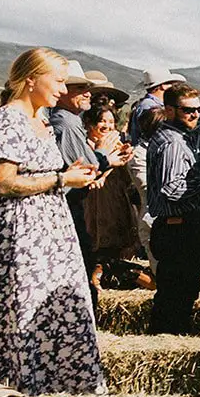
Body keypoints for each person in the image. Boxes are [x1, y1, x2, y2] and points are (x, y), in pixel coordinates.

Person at [0, 48, 104, 394]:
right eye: (59, 81)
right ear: (31, 79)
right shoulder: (6, 119)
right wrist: (63, 181)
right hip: (22, 233)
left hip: (51, 229)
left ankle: (67, 390)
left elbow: (42, 174)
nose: (63, 90)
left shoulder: (42, 121)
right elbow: (1, 183)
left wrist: (70, 175)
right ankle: (26, 389)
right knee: (26, 310)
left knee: (64, 309)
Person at [51, 61, 132, 310]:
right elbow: (83, 170)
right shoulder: (66, 124)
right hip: (72, 205)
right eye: (80, 87)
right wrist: (105, 156)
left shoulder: (70, 121)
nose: (88, 92)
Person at [145, 84, 200, 334]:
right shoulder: (173, 142)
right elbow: (172, 189)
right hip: (178, 229)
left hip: (176, 228)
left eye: (198, 110)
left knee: (174, 296)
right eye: (188, 110)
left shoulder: (172, 137)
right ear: (170, 110)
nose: (194, 115)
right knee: (177, 297)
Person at [82, 104, 140, 287]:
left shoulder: (117, 143)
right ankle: (95, 275)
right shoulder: (87, 146)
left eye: (111, 122)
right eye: (102, 121)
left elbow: (126, 178)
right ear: (90, 124)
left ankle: (111, 276)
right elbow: (93, 172)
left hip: (115, 196)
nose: (107, 126)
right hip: (95, 198)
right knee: (98, 238)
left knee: (118, 239)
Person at [128, 69, 185, 142]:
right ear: (163, 86)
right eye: (170, 83)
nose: (173, 86)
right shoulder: (149, 106)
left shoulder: (147, 104)